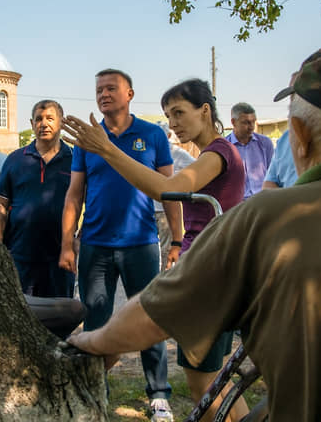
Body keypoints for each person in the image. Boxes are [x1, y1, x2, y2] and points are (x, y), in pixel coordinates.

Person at [67, 44, 321, 421]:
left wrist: (90, 339)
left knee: (207, 378)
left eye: (179, 113)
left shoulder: (266, 218)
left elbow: (153, 313)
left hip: (204, 268)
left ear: (297, 135)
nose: (174, 123)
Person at [64, 78, 248, 422]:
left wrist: (106, 149)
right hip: (214, 270)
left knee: (204, 385)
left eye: (179, 113)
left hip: (209, 274)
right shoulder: (216, 152)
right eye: (168, 115)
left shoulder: (218, 152)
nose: (173, 123)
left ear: (205, 110)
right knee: (216, 383)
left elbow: (167, 190)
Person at [59, 69, 181, 422]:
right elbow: (74, 193)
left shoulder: (152, 134)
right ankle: (98, 391)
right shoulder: (87, 140)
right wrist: (67, 243)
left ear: (130, 93)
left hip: (141, 243)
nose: (104, 94)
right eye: (99, 89)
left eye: (112, 88)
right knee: (95, 321)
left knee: (149, 318)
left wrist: (177, 239)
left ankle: (158, 395)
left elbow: (170, 191)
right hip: (95, 245)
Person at [0, 99, 74, 297]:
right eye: (38, 119)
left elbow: (91, 202)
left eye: (50, 118)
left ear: (61, 122)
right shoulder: (16, 159)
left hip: (60, 258)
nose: (44, 124)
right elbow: (0, 204)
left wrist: (79, 239)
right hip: (20, 257)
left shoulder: (75, 159)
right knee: (23, 316)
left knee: (59, 317)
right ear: (31, 124)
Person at [154, 122, 195, 268]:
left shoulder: (177, 153)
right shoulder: (148, 152)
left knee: (166, 248)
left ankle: (165, 279)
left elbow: (196, 168)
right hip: (147, 210)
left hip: (166, 211)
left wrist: (179, 181)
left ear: (169, 136)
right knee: (149, 249)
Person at [225, 102, 274, 198]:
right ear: (233, 122)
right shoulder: (225, 147)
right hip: (237, 203)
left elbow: (273, 174)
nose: (251, 126)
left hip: (262, 199)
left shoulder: (265, 143)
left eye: (253, 121)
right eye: (246, 122)